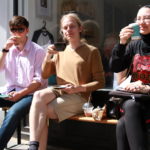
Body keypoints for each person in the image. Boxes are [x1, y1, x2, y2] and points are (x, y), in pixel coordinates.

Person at [28, 13, 105, 150]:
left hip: (80, 97)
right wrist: (48, 55)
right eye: (65, 27)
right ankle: (33, 145)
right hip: (60, 90)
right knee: (38, 96)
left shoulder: (92, 51)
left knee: (42, 110)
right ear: (62, 31)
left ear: (80, 28)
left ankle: (37, 147)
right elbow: (45, 74)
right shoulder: (60, 51)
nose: (68, 30)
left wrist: (78, 88)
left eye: (72, 26)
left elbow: (100, 82)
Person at [0, 16, 47, 149]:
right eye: (13, 30)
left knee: (13, 113)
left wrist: (20, 94)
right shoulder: (8, 50)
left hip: (30, 94)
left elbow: (39, 81)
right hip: (10, 91)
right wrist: (4, 50)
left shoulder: (37, 51)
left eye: (20, 30)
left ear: (27, 30)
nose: (16, 33)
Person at [110, 5, 150, 150]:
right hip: (136, 100)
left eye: (146, 18)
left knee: (124, 120)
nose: (142, 22)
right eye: (138, 18)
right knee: (127, 113)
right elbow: (115, 67)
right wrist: (121, 44)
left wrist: (146, 88)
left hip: (146, 100)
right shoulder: (134, 45)